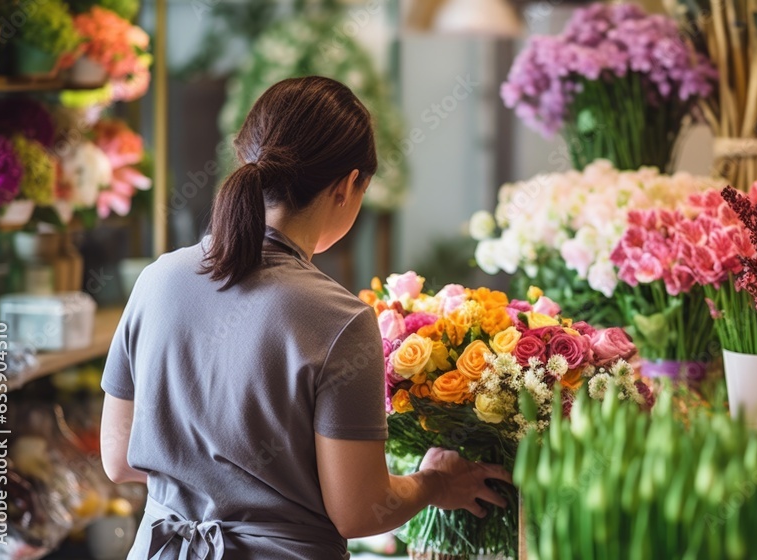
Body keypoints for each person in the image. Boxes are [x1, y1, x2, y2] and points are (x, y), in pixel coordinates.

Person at [99, 76, 511, 559]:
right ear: (348, 186)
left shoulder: (156, 279)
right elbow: (359, 511)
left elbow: (118, 458)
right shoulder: (338, 319)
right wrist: (435, 483)